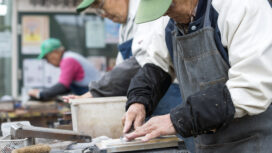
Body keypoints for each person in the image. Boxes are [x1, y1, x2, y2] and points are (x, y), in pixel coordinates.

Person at [124, 0, 272, 152]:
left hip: (256, 144)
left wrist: (177, 119)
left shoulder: (240, 7)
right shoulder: (169, 22)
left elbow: (252, 88)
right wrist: (138, 101)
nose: (166, 14)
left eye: (168, 7)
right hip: (208, 146)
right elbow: (157, 65)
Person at [65, 0, 182, 118]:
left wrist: (95, 93)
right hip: (145, 100)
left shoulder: (146, 11)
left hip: (170, 96)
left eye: (101, 6)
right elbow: (121, 66)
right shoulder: (123, 27)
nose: (103, 14)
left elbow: (143, 62)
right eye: (98, 11)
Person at [28, 38, 101, 101]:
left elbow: (63, 86)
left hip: (95, 96)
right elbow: (66, 87)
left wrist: (40, 94)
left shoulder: (68, 60)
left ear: (55, 52)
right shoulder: (69, 56)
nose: (48, 61)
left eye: (47, 57)